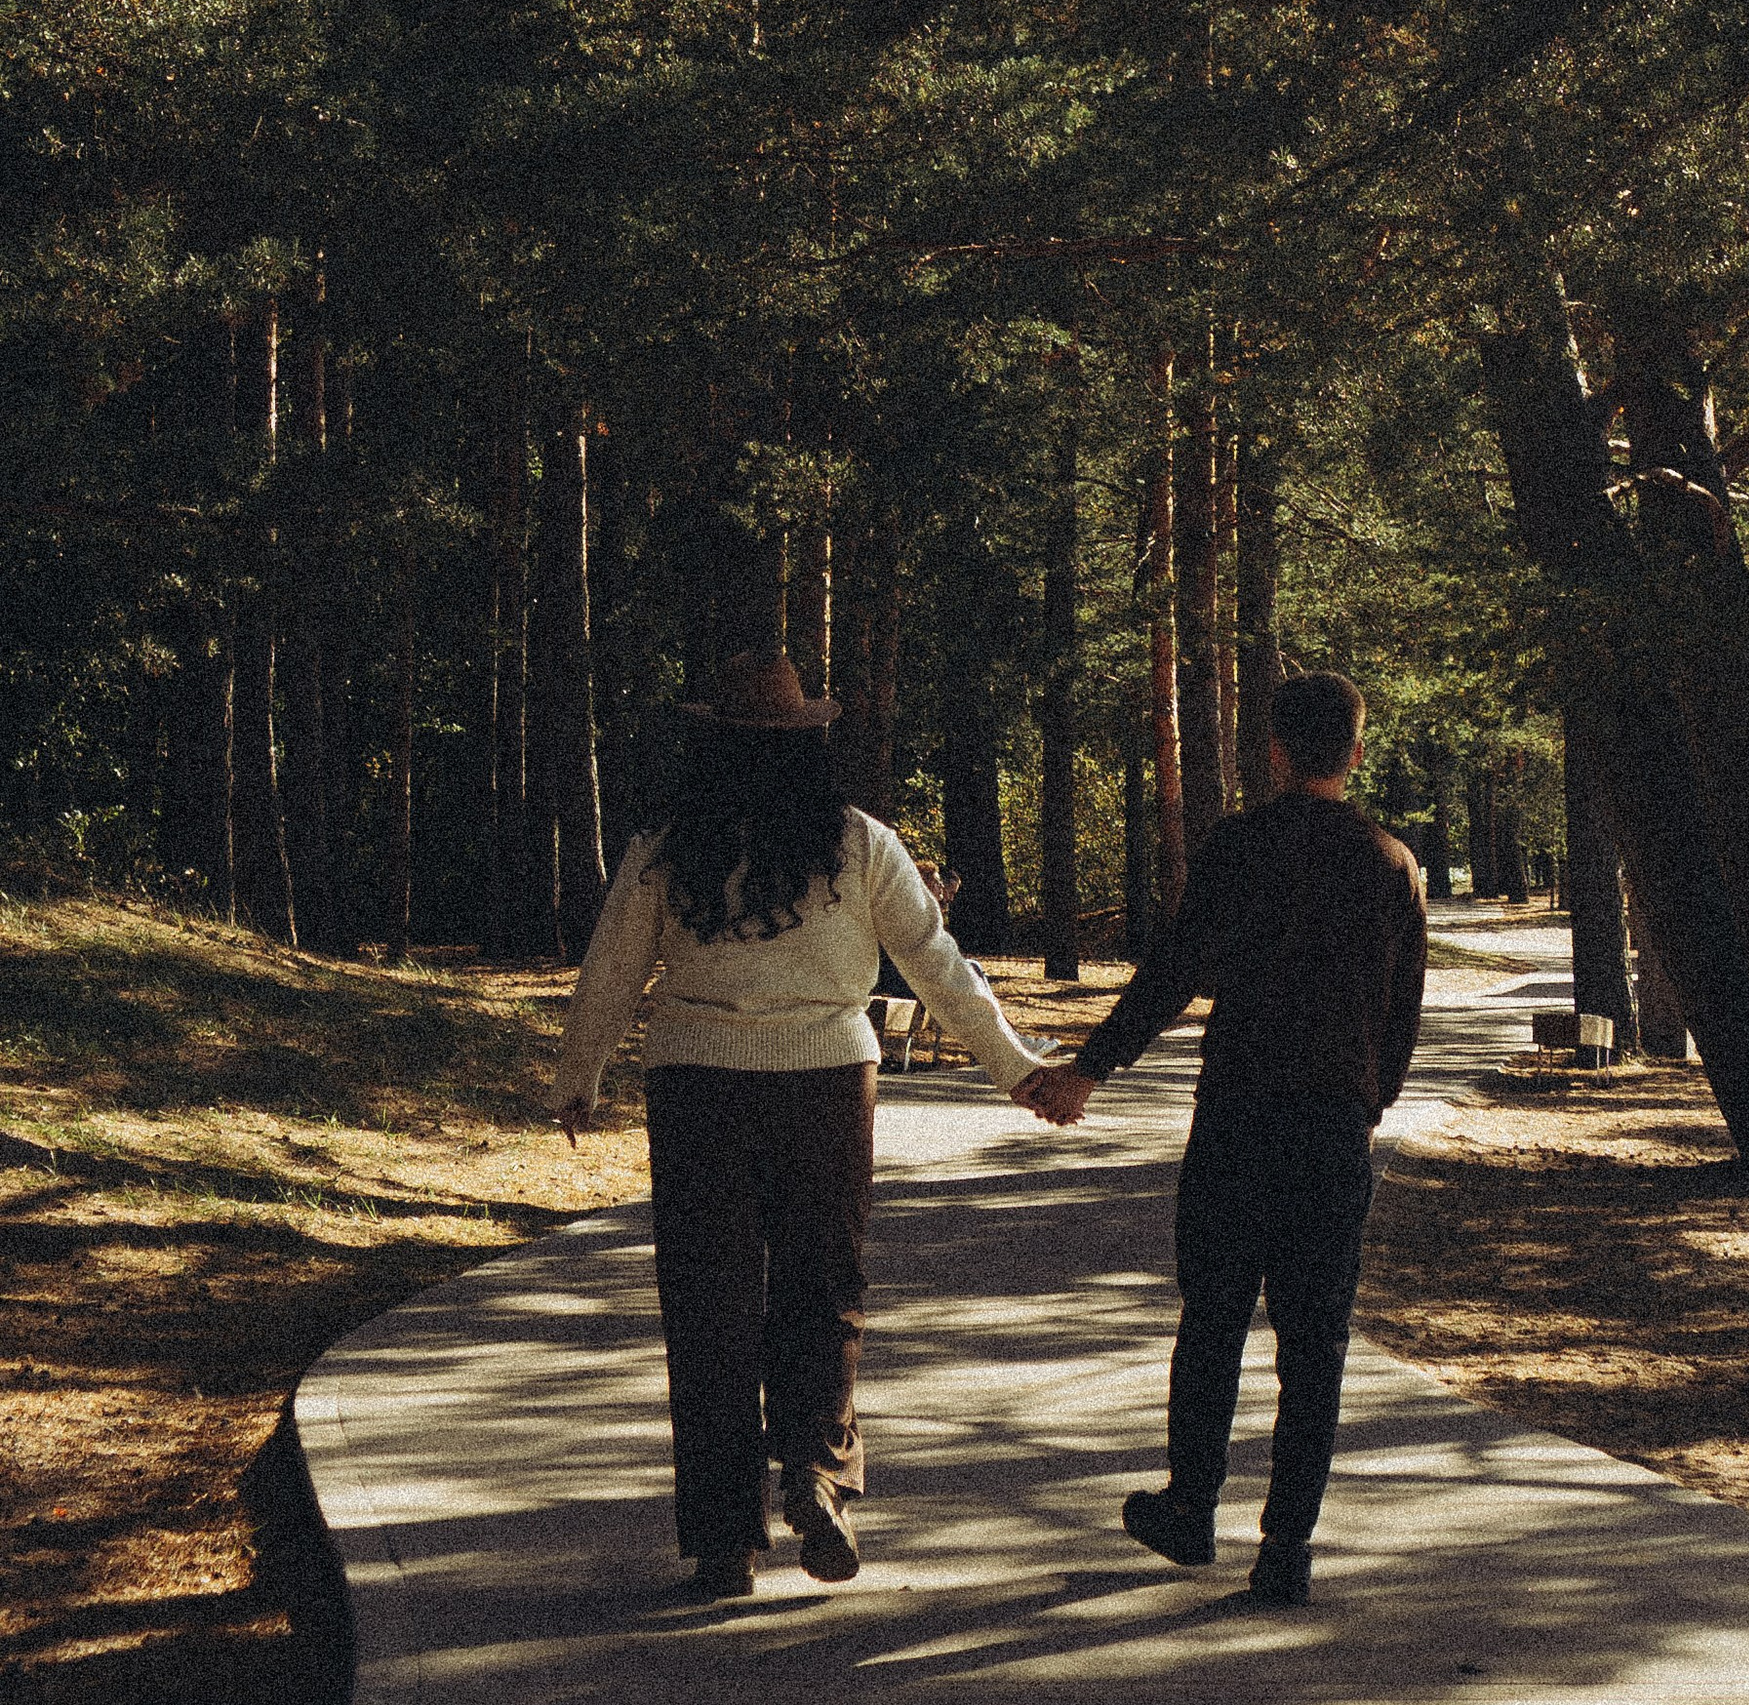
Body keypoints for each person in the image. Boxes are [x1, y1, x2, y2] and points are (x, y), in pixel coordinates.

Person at [553, 651, 1045, 1601]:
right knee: (824, 1287)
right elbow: (939, 967)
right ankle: (818, 1476)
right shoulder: (859, 844)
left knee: (709, 1307)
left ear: (712, 747)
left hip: (697, 1089)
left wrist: (581, 1074)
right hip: (827, 1084)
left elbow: (611, 967)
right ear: (810, 744)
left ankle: (724, 1539)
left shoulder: (667, 848)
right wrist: (1016, 1069)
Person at [1018, 666, 1427, 1608]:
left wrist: (1091, 1067)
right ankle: (1286, 1547)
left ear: (1275, 753)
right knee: (1314, 1342)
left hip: (1239, 1119)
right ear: (1355, 754)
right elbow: (1402, 1017)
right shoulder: (1391, 863)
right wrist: (1368, 1104)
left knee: (1212, 1319)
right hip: (1332, 1131)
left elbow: (1172, 973)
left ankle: (1192, 1509)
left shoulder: (1240, 847)